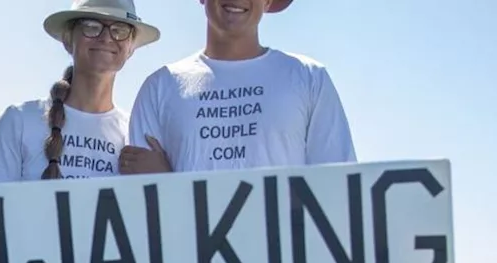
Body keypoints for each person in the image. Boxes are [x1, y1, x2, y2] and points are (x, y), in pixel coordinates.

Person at [0, 0, 160, 231]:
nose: (106, 38)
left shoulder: (134, 133)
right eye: (91, 26)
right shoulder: (20, 120)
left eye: (119, 30)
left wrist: (163, 178)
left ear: (131, 46)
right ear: (67, 39)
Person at [120, 0, 356, 176]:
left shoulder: (309, 78)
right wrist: (161, 182)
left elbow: (338, 186)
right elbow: (142, 204)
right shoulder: (160, 88)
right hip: (190, 244)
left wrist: (168, 182)